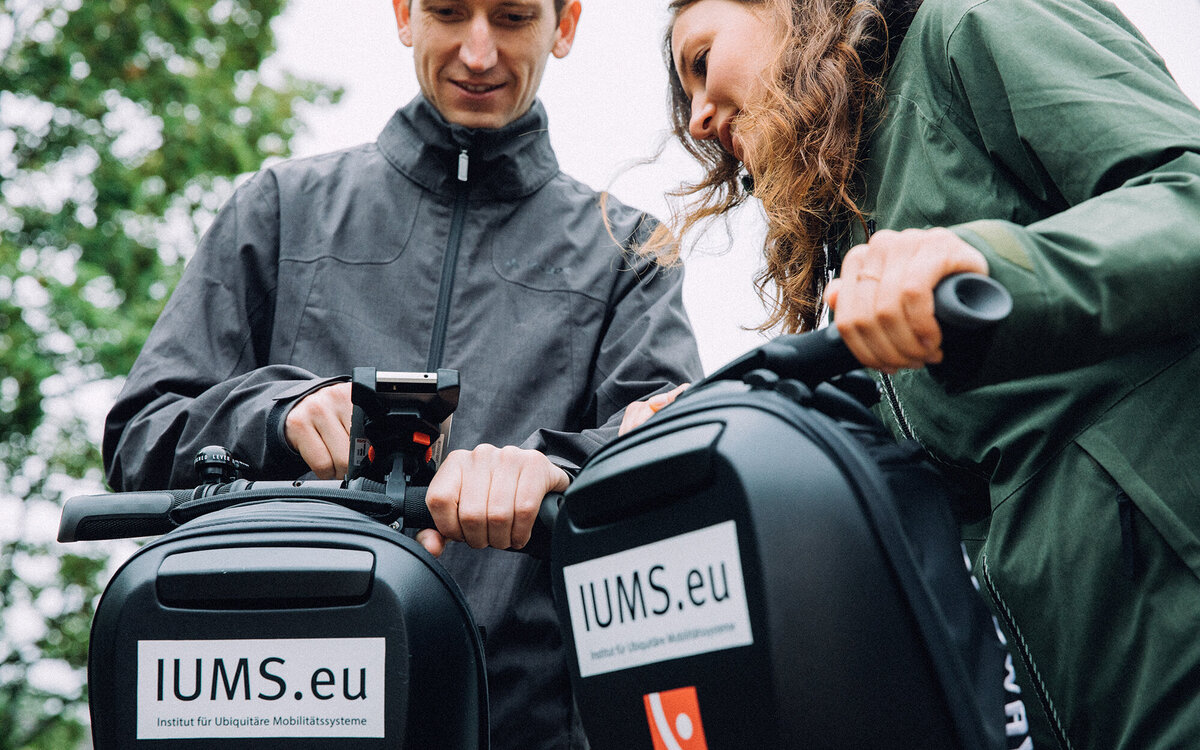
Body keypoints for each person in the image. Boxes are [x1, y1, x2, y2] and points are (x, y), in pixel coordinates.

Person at [102, 1, 703, 747]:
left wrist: (551, 471)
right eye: (449, 12)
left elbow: (669, 466)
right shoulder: (279, 210)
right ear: (403, 13)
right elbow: (140, 438)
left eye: (512, 17)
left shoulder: (632, 255)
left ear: (566, 24)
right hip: (274, 712)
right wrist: (278, 415)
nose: (477, 53)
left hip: (520, 729)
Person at [654, 0, 1200, 747]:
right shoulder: (859, 206)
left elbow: (1187, 193)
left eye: (701, 61)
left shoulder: (974, 22)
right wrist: (691, 435)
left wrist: (992, 269)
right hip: (1067, 689)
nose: (697, 118)